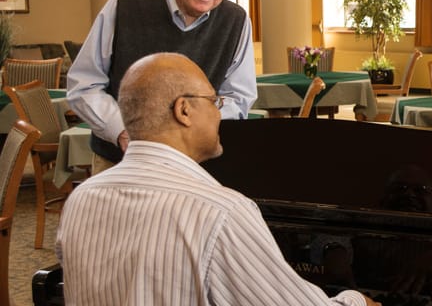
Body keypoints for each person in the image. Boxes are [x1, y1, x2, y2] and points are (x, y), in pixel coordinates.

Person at [56, 53, 380, 306]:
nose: (219, 114)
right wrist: (356, 299)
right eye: (213, 102)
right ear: (183, 110)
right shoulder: (219, 211)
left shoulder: (82, 197)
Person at [66, 0, 257, 173]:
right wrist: (125, 132)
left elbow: (238, 99)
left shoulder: (236, 21)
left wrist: (186, 139)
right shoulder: (125, 5)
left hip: (195, 168)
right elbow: (84, 84)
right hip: (120, 163)